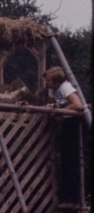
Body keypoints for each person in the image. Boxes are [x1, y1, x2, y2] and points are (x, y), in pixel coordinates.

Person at [43, 66, 87, 204]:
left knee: (73, 161)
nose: (46, 83)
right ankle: (69, 196)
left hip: (77, 124)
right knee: (65, 160)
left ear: (57, 81)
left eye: (49, 80)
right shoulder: (52, 89)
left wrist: (61, 111)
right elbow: (51, 104)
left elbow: (78, 105)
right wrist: (53, 110)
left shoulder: (65, 87)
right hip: (67, 124)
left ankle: (76, 199)